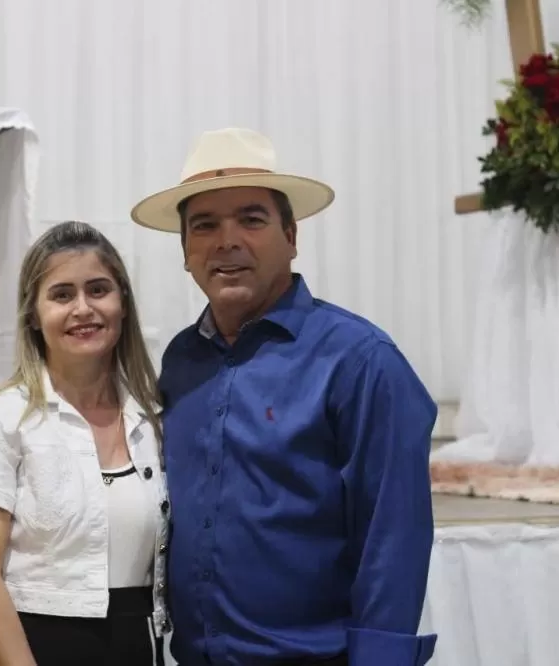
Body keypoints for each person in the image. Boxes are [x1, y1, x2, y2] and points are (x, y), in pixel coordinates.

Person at [129, 128, 438, 666]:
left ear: (292, 236)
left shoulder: (360, 361)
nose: (226, 241)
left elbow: (393, 540)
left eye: (251, 219)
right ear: (184, 251)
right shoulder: (181, 360)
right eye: (204, 225)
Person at [0, 221, 171, 666]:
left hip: (138, 647)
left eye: (99, 290)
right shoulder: (1, 417)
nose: (83, 308)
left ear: (123, 303)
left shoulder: (154, 417)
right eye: (62, 294)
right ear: (33, 313)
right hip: (34, 648)